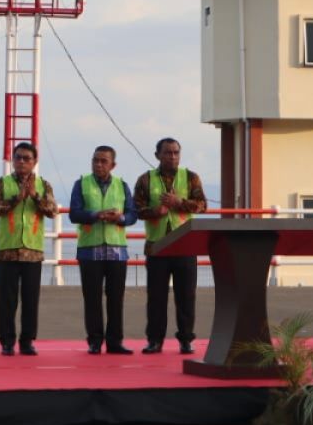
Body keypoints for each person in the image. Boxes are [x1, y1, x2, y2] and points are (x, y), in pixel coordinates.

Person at [134, 137, 208, 355]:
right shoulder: (145, 180)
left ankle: (186, 339)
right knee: (156, 297)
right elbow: (136, 210)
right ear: (157, 155)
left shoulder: (191, 178)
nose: (172, 156)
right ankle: (154, 340)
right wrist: (155, 211)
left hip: (185, 246)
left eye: (176, 152)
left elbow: (202, 205)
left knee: (186, 296)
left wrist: (180, 203)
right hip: (157, 247)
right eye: (167, 153)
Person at [0, 141, 57, 356]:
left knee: (30, 300)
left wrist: (35, 196)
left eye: (27, 158)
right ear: (13, 160)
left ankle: (27, 341)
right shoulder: (2, 183)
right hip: (8, 250)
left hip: (32, 252)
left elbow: (52, 210)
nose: (22, 162)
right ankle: (7, 341)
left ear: (35, 161)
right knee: (7, 301)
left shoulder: (44, 185)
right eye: (18, 157)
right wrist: (17, 198)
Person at [68, 145, 138, 355]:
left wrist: (121, 218)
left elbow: (132, 214)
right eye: (95, 160)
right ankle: (95, 341)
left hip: (117, 251)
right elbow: (74, 214)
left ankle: (115, 342)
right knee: (92, 298)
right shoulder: (81, 184)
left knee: (116, 299)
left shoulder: (122, 185)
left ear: (113, 164)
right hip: (90, 250)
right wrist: (97, 214)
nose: (98, 164)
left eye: (103, 161)